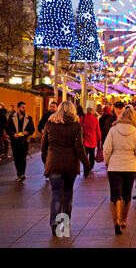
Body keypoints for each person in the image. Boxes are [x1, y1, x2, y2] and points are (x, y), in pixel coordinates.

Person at [41, 101, 91, 236]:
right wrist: (86, 164)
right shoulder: (76, 126)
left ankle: (54, 224)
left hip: (54, 164)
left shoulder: (50, 124)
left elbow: (44, 146)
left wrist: (47, 160)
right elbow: (79, 148)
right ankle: (64, 224)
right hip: (70, 165)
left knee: (56, 194)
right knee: (68, 194)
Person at [103, 107, 136, 235]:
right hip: (131, 166)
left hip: (115, 166)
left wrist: (108, 161)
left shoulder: (113, 130)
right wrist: (134, 160)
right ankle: (123, 221)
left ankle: (116, 222)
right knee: (127, 194)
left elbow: (106, 148)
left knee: (115, 195)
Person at [5, 102, 35, 182]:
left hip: (24, 141)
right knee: (17, 158)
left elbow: (32, 129)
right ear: (18, 108)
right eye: (22, 107)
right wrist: (13, 134)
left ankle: (22, 174)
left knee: (23, 157)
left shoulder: (29, 118)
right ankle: (19, 173)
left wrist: (27, 132)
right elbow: (7, 128)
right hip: (15, 141)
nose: (24, 109)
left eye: (25, 107)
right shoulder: (11, 117)